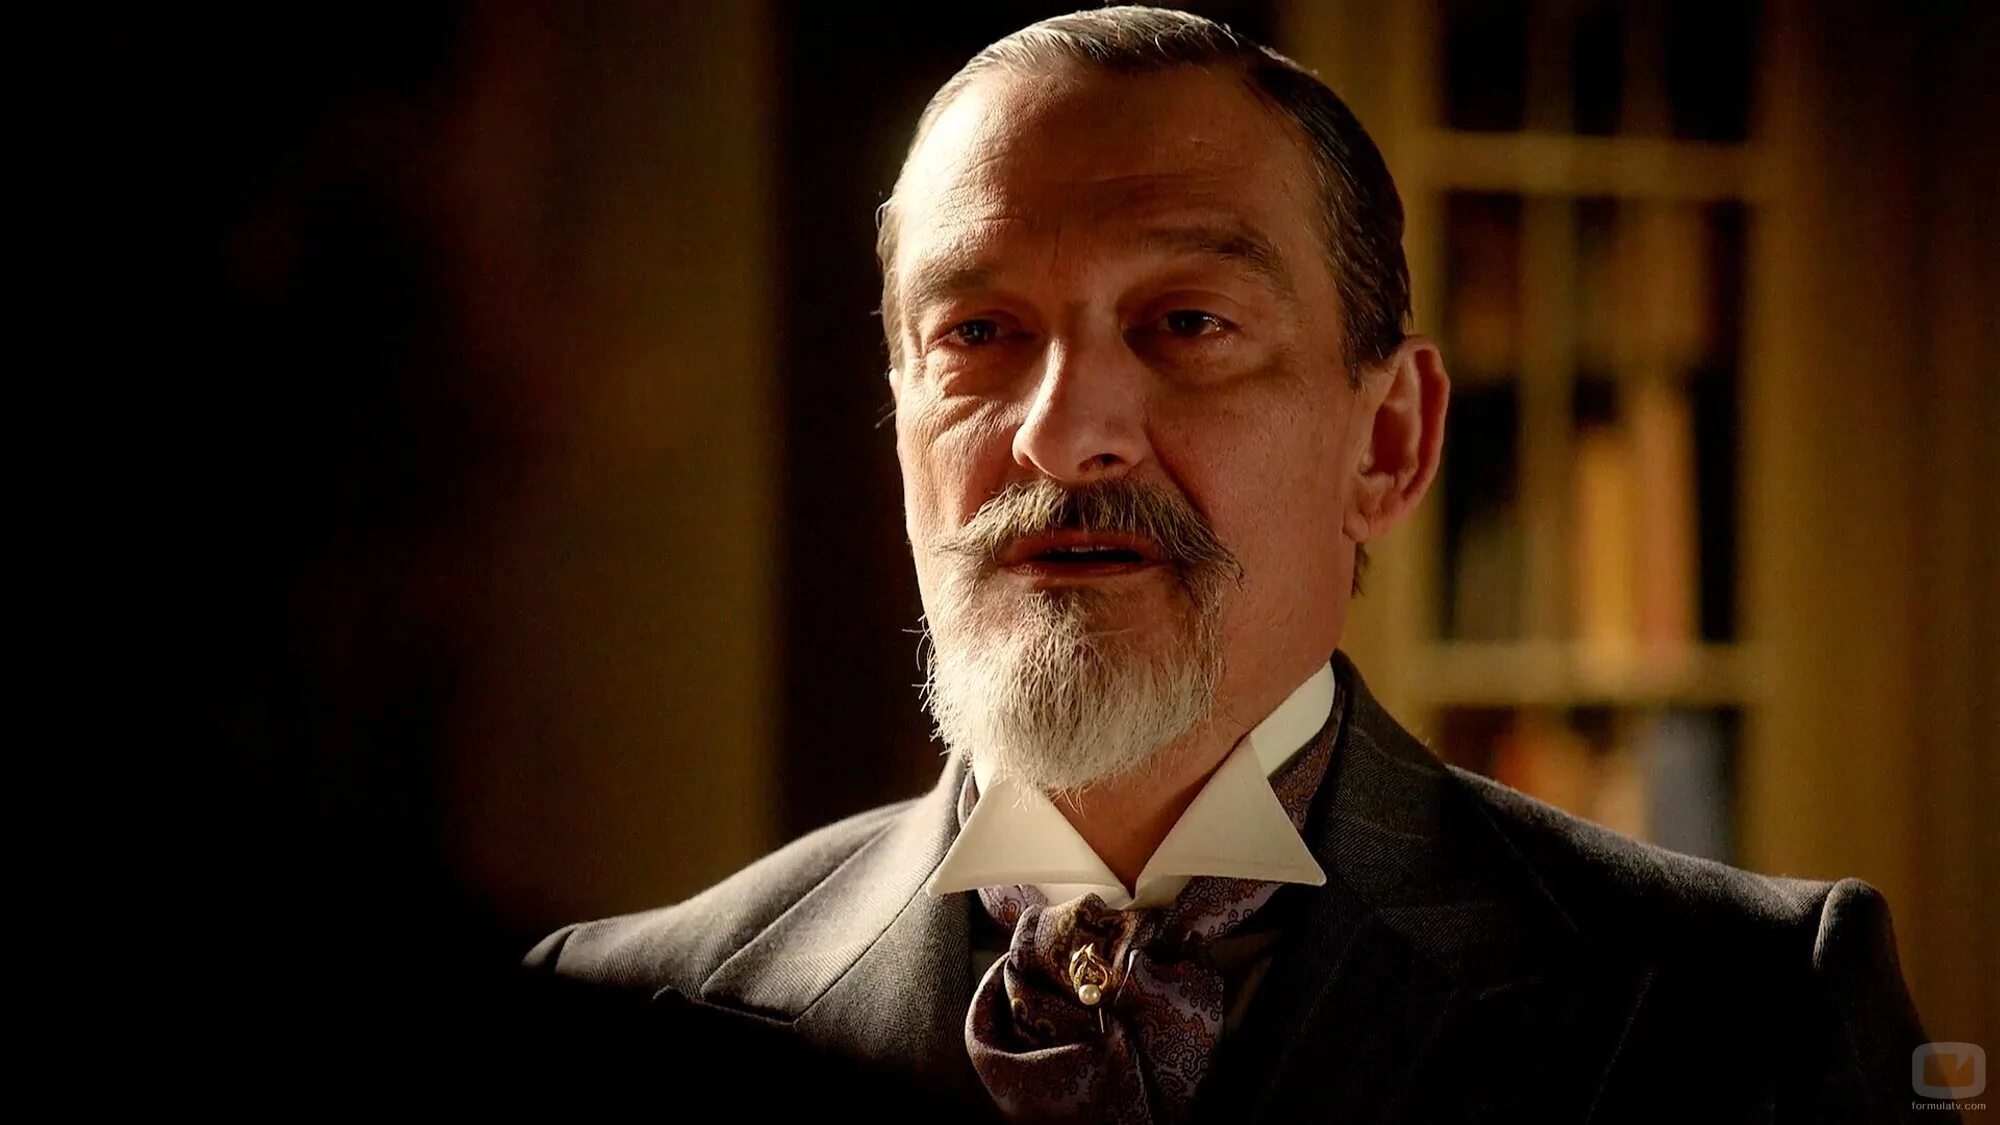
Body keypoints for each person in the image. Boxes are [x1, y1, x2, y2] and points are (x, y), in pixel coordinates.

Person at [526, 8, 1936, 1121]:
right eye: (979, 334)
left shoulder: (1749, 1012)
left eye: (1188, 323)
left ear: (1388, 442)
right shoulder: (626, 1008)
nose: (1064, 434)